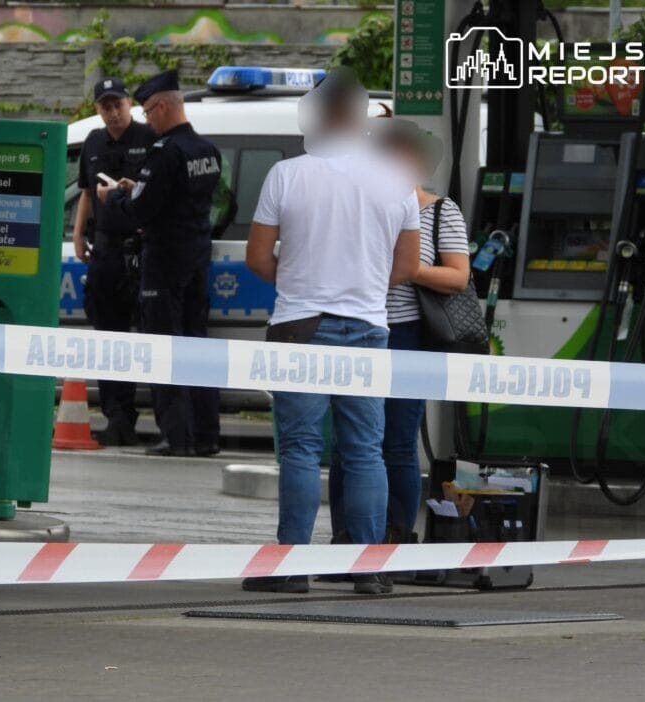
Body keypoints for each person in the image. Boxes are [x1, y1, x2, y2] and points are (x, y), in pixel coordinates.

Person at [241, 69, 421, 595]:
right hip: (369, 326)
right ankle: (367, 568)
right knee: (365, 449)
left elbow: (257, 258)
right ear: (360, 115)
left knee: (300, 449)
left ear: (320, 114)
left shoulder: (287, 174)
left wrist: (302, 279)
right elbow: (408, 266)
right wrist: (359, 285)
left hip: (299, 326)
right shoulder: (397, 179)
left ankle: (290, 567)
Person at [328, 118, 471, 547]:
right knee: (348, 442)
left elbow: (458, 277)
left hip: (408, 333)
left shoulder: (440, 211)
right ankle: (347, 535)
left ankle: (396, 533)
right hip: (355, 326)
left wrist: (408, 270)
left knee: (398, 441)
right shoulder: (358, 205)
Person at [96, 70, 222, 458]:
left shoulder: (166, 152)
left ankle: (176, 436)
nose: (147, 121)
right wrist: (140, 190)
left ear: (163, 106)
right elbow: (186, 199)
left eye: (149, 112)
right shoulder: (206, 150)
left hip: (165, 261)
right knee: (196, 344)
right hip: (196, 257)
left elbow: (141, 210)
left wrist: (113, 197)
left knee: (165, 346)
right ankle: (205, 435)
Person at [74, 77, 157, 446]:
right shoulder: (93, 142)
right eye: (105, 106)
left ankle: (164, 420)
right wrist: (79, 235)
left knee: (149, 336)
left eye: (118, 104)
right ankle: (117, 419)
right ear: (98, 109)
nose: (112, 112)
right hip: (106, 252)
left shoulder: (150, 138)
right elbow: (86, 193)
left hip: (142, 250)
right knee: (109, 338)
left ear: (129, 105)